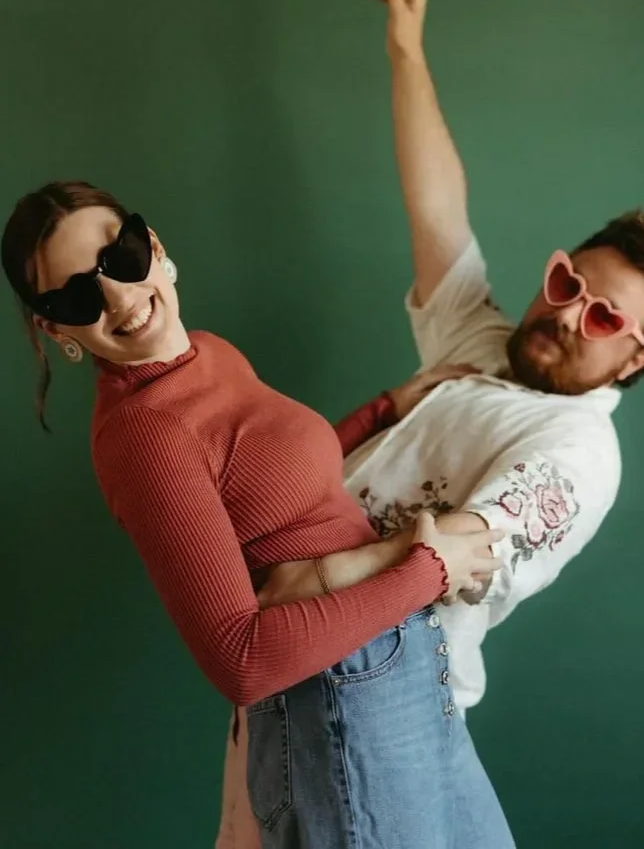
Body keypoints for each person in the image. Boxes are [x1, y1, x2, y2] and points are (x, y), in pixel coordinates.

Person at [215, 0, 644, 847]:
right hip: (328, 666)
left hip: (377, 671)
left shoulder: (579, 449)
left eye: (604, 320)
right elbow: (437, 204)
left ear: (634, 361)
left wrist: (302, 578)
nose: (568, 316)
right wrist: (406, 46)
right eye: (568, 284)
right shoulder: (480, 347)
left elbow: (462, 553)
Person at [1, 181, 517, 849]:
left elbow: (272, 483)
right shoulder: (142, 435)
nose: (120, 299)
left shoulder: (206, 354)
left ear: (153, 246)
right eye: (75, 296)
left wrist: (386, 407)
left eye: (121, 257)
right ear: (55, 328)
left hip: (397, 662)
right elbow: (238, 661)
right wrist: (427, 571)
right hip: (343, 695)